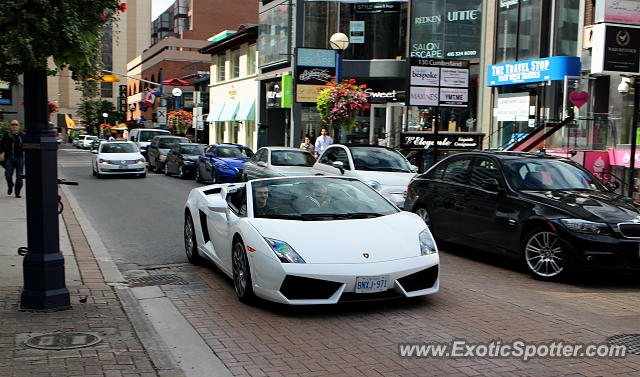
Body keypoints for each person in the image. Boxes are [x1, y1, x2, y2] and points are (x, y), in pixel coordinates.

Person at [0, 120, 25, 198]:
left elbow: (26, 146)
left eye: (16, 124)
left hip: (19, 158)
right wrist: (1, 154)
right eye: (12, 124)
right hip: (9, 158)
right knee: (8, 175)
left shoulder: (22, 136)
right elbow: (1, 145)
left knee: (19, 177)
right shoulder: (6, 135)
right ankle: (10, 185)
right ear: (10, 126)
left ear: (18, 126)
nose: (14, 126)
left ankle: (17, 193)